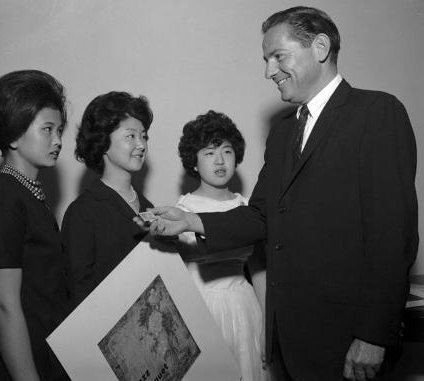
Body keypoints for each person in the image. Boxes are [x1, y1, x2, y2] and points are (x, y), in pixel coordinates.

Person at [143, 6, 418, 381]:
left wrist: (373, 334)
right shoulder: (284, 133)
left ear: (320, 47)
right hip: (287, 341)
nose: (268, 71)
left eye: (278, 56)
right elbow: (261, 215)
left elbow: (393, 235)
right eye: (266, 59)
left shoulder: (377, 113)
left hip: (347, 340)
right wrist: (191, 220)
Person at [0, 70, 73, 381]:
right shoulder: (2, 198)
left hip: (46, 357)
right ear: (14, 135)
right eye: (47, 129)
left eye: (59, 130)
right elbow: (3, 305)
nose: (58, 140)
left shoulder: (26, 193)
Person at [175, 110, 267, 381]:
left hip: (244, 307)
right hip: (200, 310)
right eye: (209, 152)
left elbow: (260, 269)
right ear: (194, 161)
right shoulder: (183, 210)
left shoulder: (247, 208)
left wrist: (267, 326)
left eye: (226, 151)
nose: (219, 160)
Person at [62, 91, 154, 305]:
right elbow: (79, 292)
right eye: (131, 136)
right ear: (102, 142)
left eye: (144, 136)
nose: (141, 145)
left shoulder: (148, 207)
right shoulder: (83, 212)